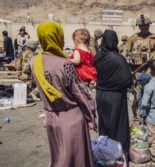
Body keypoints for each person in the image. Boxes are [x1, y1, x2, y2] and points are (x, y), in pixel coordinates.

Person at [30, 21, 96, 167]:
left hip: (50, 117)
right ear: (57, 38)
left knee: (58, 157)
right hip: (71, 118)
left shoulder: (34, 61)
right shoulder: (64, 64)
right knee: (75, 160)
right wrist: (91, 116)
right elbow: (81, 93)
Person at [94, 29, 133, 164]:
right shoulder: (119, 59)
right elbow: (127, 81)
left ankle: (104, 154)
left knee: (104, 124)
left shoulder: (97, 57)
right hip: (116, 97)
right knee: (118, 124)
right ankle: (118, 156)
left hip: (100, 95)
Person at [126, 13, 155, 122]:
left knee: (151, 96)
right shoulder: (132, 38)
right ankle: (137, 119)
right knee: (137, 97)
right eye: (141, 26)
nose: (144, 27)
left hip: (152, 73)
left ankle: (150, 119)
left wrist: (152, 59)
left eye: (146, 25)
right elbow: (125, 53)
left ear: (149, 25)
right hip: (136, 73)